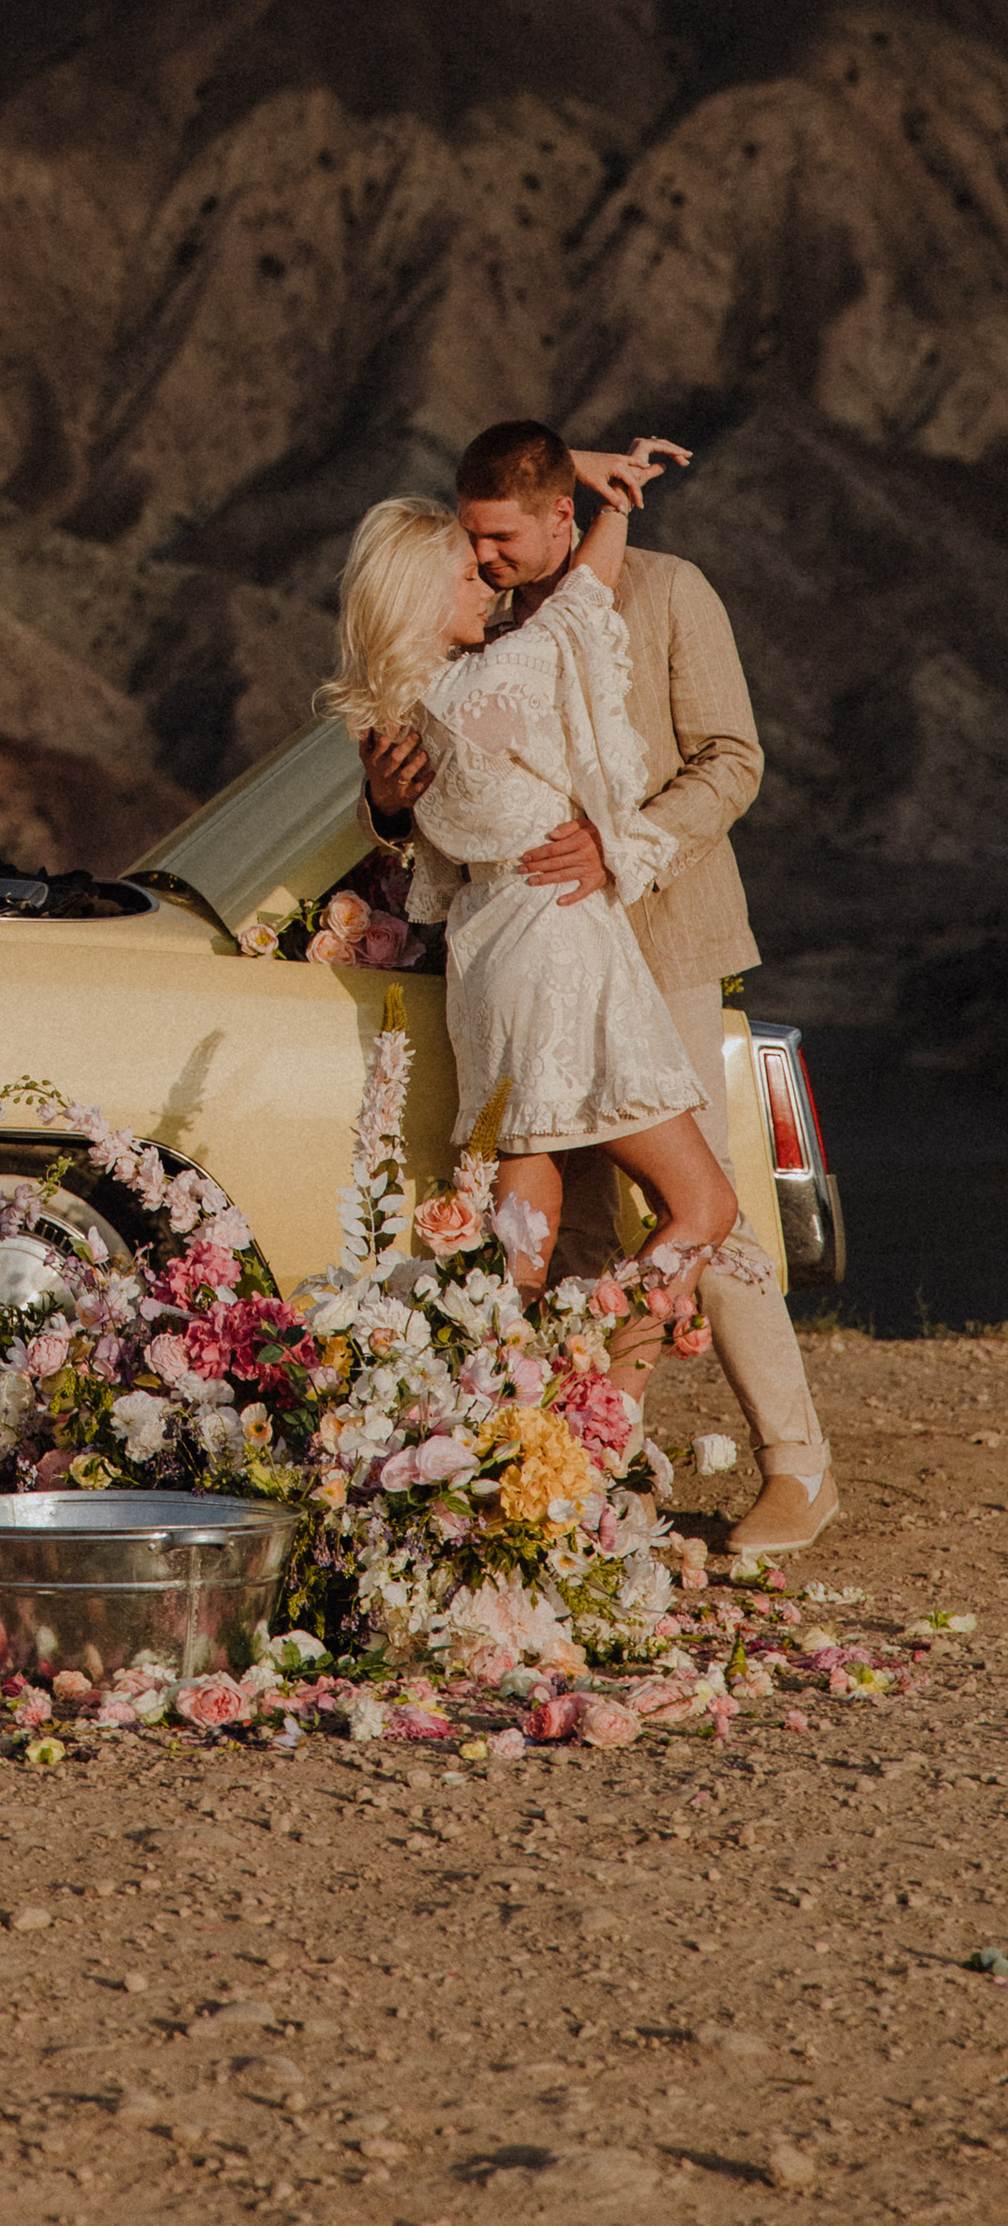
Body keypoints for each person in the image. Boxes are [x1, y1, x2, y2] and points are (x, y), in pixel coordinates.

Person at [360, 421, 835, 1562]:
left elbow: (732, 760)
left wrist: (619, 849)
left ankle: (795, 1467)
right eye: (470, 541)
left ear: (557, 519)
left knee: (709, 1211)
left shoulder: (667, 591)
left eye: (500, 539)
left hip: (658, 939)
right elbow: (448, 812)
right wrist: (384, 805)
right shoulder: (478, 633)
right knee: (569, 1230)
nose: (483, 559)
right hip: (538, 948)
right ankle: (583, 1461)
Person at [324, 466, 746, 1399]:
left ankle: (504, 1407)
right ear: (420, 595)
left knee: (525, 1218)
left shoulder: (402, 715)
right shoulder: (488, 683)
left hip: (486, 952)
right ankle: (590, 1402)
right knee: (704, 1205)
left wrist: (559, 476)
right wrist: (608, 497)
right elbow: (583, 596)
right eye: (466, 573)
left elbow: (413, 845)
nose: (489, 581)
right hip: (559, 946)